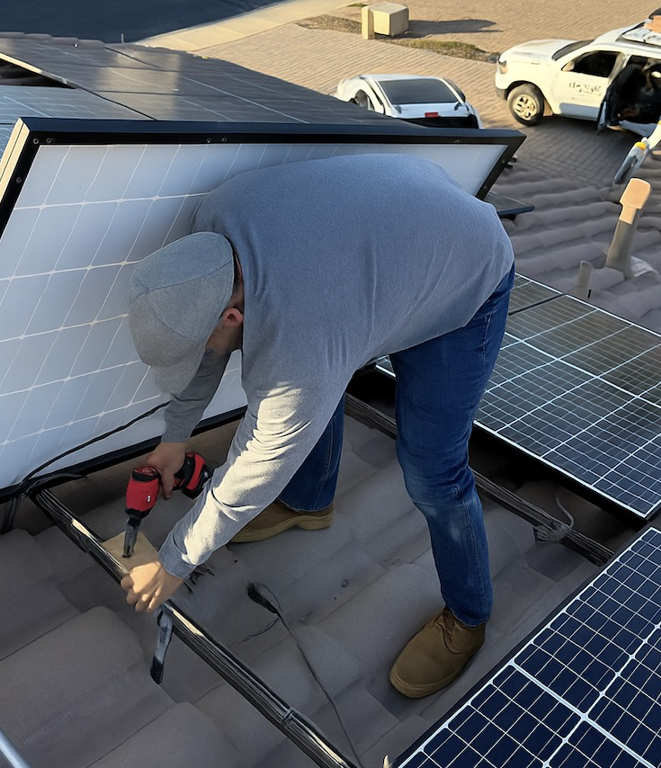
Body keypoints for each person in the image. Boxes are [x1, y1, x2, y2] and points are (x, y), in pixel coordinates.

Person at [120, 153, 515, 698]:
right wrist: (174, 439)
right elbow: (208, 351)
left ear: (231, 315)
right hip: (394, 245)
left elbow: (261, 460)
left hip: (464, 272)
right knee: (314, 374)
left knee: (432, 469)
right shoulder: (213, 230)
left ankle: (469, 616)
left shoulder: (302, 343)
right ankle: (309, 502)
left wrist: (174, 563)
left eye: (212, 337)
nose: (208, 353)